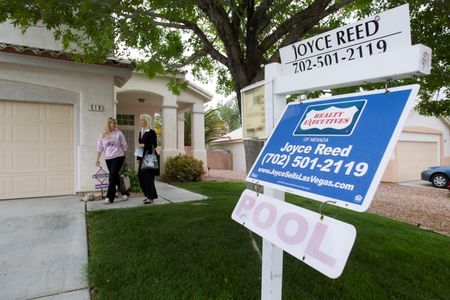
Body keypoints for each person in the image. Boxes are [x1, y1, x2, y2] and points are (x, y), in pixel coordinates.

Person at [96, 117, 130, 204]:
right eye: (113, 123)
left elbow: (124, 145)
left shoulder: (119, 133)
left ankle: (109, 197)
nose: (115, 125)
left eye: (115, 123)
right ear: (108, 124)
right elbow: (99, 147)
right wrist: (97, 159)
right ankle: (125, 193)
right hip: (108, 159)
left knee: (112, 177)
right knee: (115, 177)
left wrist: (126, 157)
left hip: (118, 157)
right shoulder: (103, 135)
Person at [137, 114, 159, 204]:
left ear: (146, 121)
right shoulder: (141, 131)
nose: (140, 121)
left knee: (148, 177)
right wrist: (138, 158)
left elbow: (155, 145)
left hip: (149, 156)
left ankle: (150, 197)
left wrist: (145, 145)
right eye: (140, 120)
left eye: (142, 120)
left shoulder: (151, 132)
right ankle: (149, 195)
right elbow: (140, 145)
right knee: (140, 176)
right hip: (142, 157)